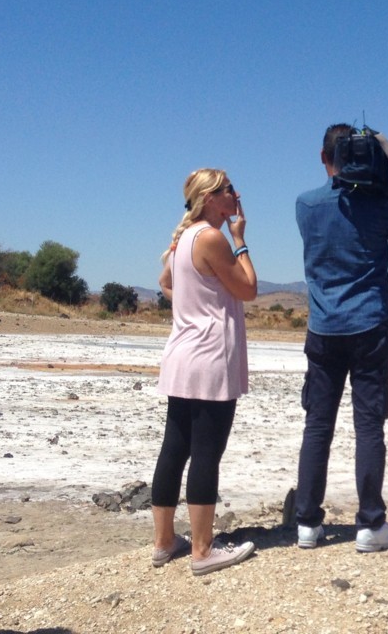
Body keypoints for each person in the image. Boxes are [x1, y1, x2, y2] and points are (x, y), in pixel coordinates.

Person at [294, 124, 388, 553]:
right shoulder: (381, 207)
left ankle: (308, 524)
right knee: (368, 426)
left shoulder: (305, 205)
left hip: (322, 328)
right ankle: (371, 524)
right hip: (369, 327)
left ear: (323, 156)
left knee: (318, 425)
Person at [151, 169, 257, 576]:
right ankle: (201, 550)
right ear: (211, 197)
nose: (236, 194)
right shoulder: (211, 237)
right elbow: (247, 289)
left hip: (182, 353)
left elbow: (165, 283)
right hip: (210, 356)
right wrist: (241, 239)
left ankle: (163, 543)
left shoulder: (182, 240)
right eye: (229, 189)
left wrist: (192, 308)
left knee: (175, 448)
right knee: (207, 452)